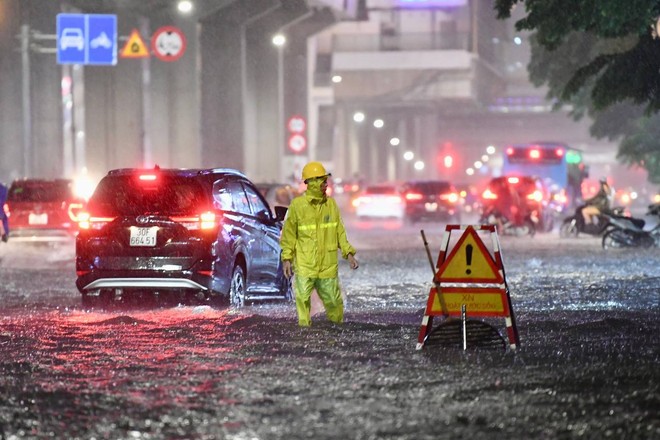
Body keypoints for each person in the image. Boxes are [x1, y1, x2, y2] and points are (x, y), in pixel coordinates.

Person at [280, 161, 359, 327]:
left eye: (325, 180)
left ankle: (337, 333)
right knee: (302, 301)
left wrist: (348, 253)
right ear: (311, 182)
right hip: (304, 265)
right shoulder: (297, 206)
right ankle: (304, 336)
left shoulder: (331, 205)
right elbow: (289, 236)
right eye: (322, 180)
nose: (325, 184)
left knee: (334, 302)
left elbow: (340, 233)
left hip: (327, 266)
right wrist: (286, 258)